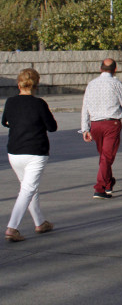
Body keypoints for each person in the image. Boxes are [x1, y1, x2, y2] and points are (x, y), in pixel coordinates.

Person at [2, 68, 57, 242]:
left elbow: (5, 122)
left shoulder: (10, 102)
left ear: (19, 84)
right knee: (27, 189)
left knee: (28, 188)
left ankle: (40, 222)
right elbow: (52, 127)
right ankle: (12, 228)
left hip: (15, 152)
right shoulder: (39, 104)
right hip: (36, 152)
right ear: (36, 86)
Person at [81, 58, 122, 199]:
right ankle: (99, 188)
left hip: (95, 125)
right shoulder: (116, 83)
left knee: (104, 156)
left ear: (100, 69)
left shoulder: (91, 84)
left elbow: (85, 107)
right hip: (111, 124)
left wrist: (85, 128)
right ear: (115, 69)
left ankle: (108, 183)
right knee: (107, 157)